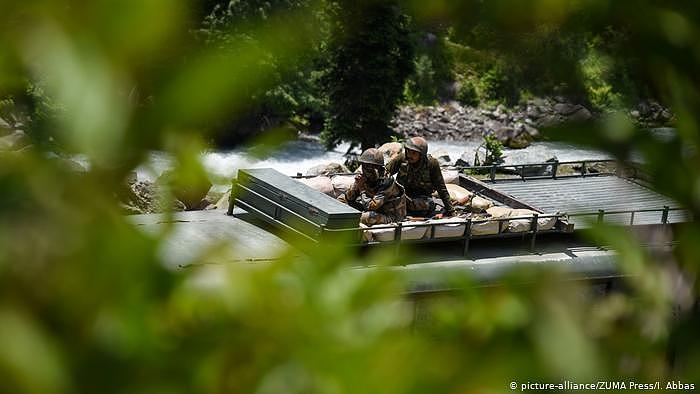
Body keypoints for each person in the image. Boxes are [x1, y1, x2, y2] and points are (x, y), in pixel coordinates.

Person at [386, 136, 455, 217]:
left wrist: (450, 209)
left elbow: (441, 187)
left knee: (426, 205)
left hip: (422, 198)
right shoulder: (402, 158)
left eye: (414, 153)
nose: (409, 155)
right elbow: (385, 173)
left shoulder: (431, 164)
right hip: (402, 195)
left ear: (421, 154)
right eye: (408, 151)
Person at [337, 148, 406, 225]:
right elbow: (349, 198)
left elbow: (372, 206)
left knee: (368, 217)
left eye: (368, 166)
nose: (364, 169)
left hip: (390, 215)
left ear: (377, 168)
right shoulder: (365, 175)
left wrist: (362, 189)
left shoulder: (387, 181)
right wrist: (356, 185)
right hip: (374, 209)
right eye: (364, 165)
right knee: (341, 199)